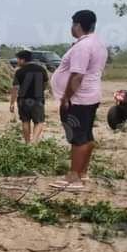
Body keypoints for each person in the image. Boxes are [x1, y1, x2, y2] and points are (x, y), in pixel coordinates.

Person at [49, 10, 108, 190]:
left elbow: (76, 76)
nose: (71, 28)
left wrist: (66, 97)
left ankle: (73, 178)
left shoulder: (83, 47)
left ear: (77, 25)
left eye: (73, 24)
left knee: (77, 138)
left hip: (79, 99)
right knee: (86, 135)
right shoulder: (97, 43)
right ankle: (82, 173)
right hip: (90, 96)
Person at [9, 50, 49, 144]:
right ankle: (34, 143)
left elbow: (15, 88)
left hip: (23, 100)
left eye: (18, 59)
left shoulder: (19, 72)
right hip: (37, 100)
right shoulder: (41, 69)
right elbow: (46, 83)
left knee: (25, 121)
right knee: (39, 122)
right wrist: (41, 90)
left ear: (23, 60)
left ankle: (27, 143)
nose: (17, 61)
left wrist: (12, 103)